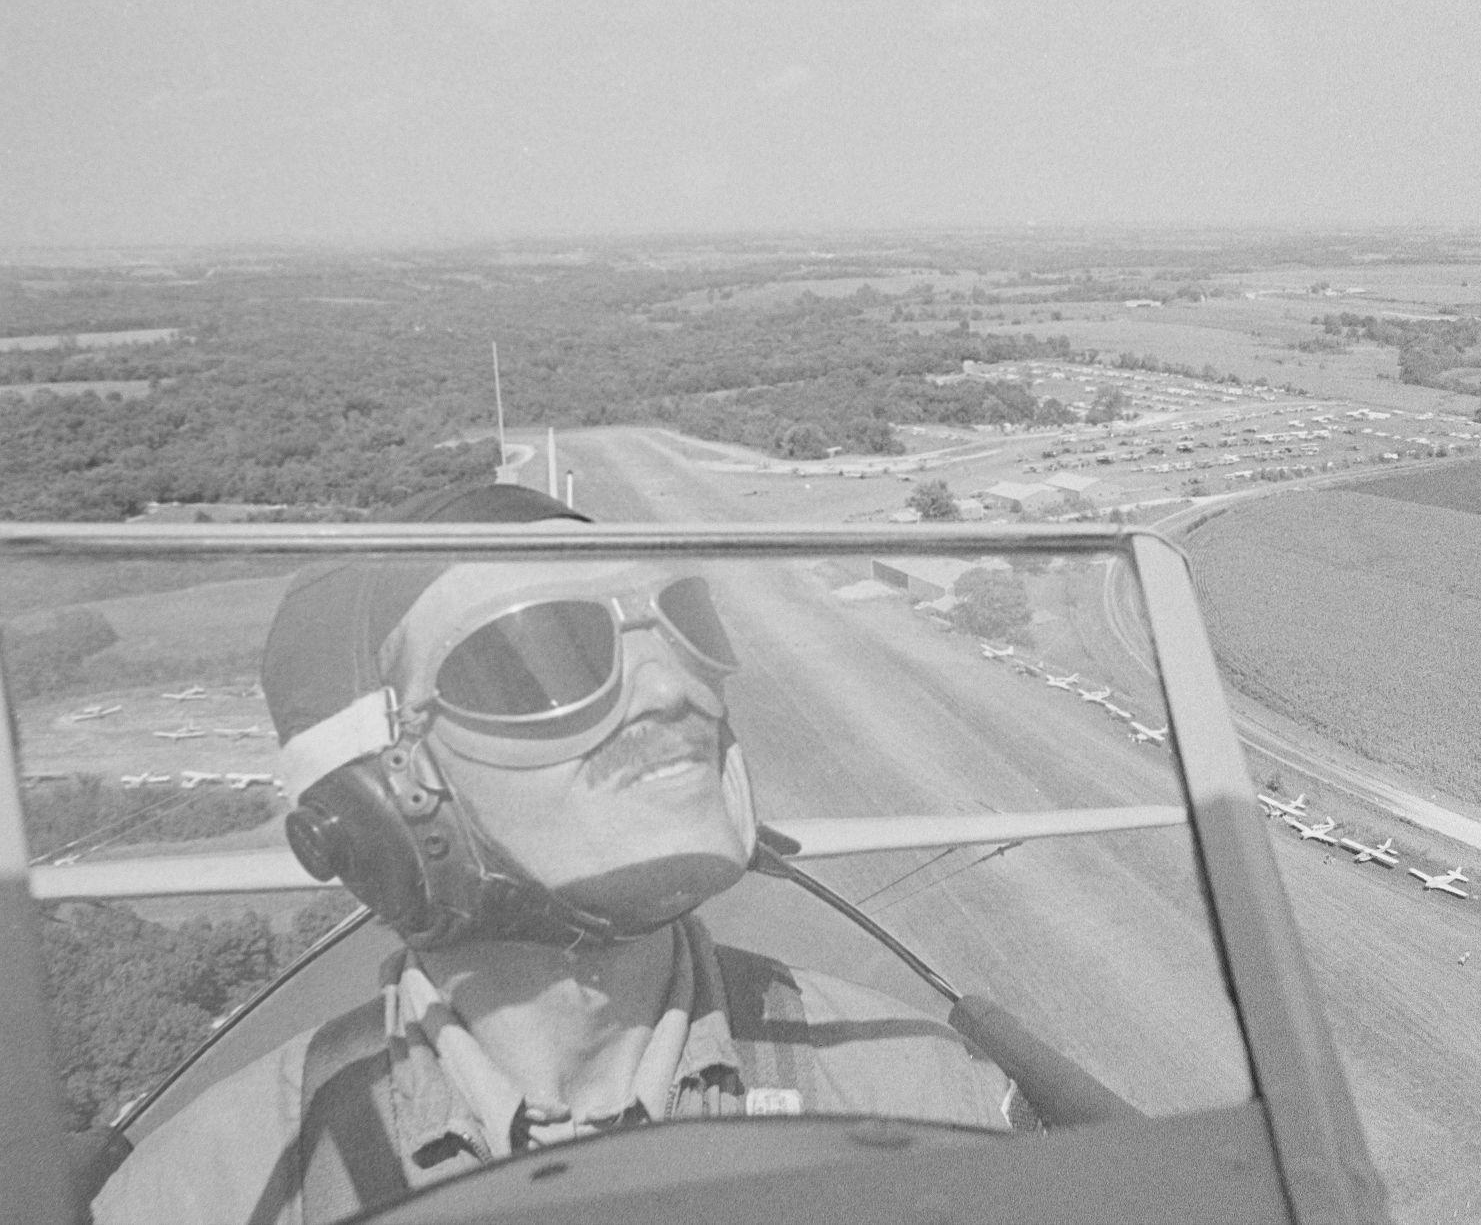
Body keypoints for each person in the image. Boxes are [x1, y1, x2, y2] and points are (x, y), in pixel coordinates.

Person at [92, 484, 1020, 1225]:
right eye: (541, 656)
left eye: (685, 624)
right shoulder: (218, 1189)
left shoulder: (929, 1092)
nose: (673, 689)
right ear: (381, 799)